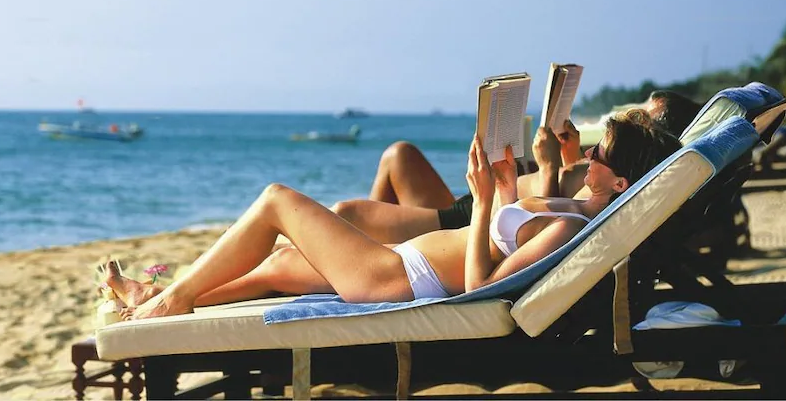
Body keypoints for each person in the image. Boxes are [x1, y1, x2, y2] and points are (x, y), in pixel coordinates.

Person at [105, 109, 679, 319]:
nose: (591, 155)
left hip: (398, 277)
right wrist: (506, 187)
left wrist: (483, 203)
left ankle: (171, 300)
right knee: (278, 264)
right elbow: (506, 241)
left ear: (621, 182)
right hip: (399, 263)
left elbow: (482, 290)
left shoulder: (570, 227)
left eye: (601, 154)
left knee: (277, 199)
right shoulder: (571, 208)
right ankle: (159, 295)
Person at [328, 90, 703, 244]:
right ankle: (368, 256)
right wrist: (569, 156)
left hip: (471, 223)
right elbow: (571, 198)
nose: (632, 116)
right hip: (480, 202)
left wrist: (549, 168)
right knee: (400, 154)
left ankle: (366, 258)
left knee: (346, 215)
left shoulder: (626, 174)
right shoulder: (614, 168)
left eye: (644, 117)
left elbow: (545, 223)